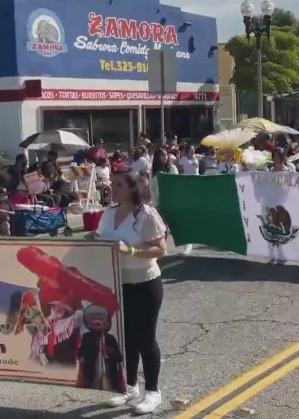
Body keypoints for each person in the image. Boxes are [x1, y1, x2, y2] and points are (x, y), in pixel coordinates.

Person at [94, 171, 168, 414]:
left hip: (145, 284)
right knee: (126, 340)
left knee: (145, 339)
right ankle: (129, 387)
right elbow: (100, 241)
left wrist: (132, 252)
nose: (112, 187)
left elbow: (161, 249)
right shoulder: (108, 213)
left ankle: (153, 392)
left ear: (132, 188)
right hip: (117, 285)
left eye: (118, 184)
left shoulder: (145, 215)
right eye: (112, 183)